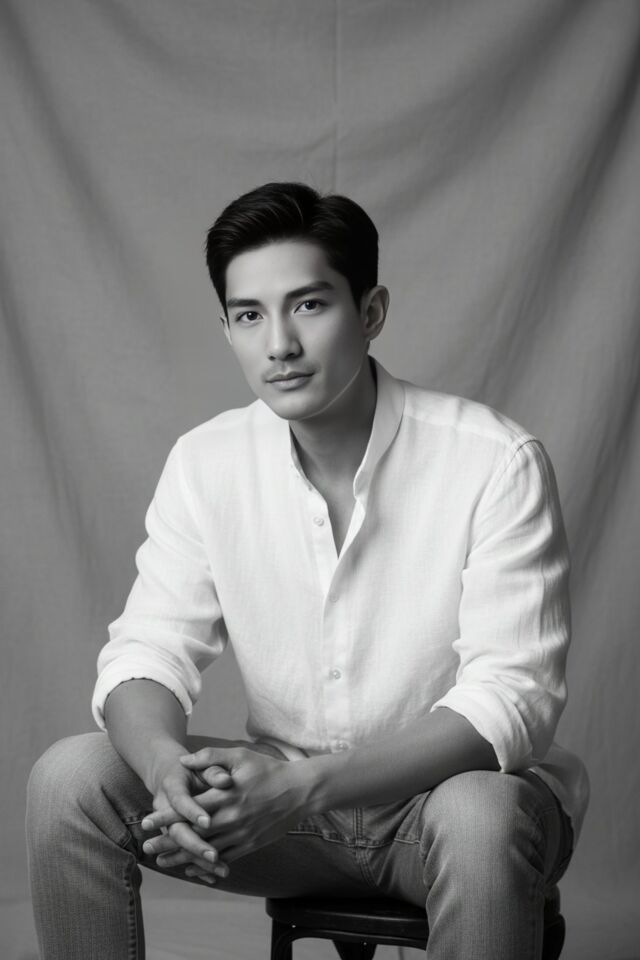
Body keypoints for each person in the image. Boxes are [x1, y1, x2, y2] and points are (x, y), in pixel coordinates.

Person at [26, 182, 589, 960]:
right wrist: (167, 773)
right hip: (285, 821)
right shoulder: (206, 461)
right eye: (249, 316)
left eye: (310, 305)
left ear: (371, 311)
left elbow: (511, 699)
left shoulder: (494, 460)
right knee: (69, 780)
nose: (279, 344)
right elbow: (146, 651)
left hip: (444, 810)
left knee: (479, 815)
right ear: (227, 329)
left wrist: (301, 788)